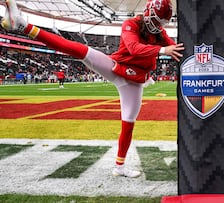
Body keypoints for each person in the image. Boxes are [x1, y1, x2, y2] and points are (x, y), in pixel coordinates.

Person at [1, 0, 184, 177]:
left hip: (135, 81)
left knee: (128, 123)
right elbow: (134, 48)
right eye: (156, 20)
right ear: (148, 12)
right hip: (115, 67)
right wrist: (162, 50)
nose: (157, 26)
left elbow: (175, 48)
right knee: (79, 50)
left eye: (161, 23)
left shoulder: (159, 33)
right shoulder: (131, 23)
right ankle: (23, 24)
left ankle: (119, 167)